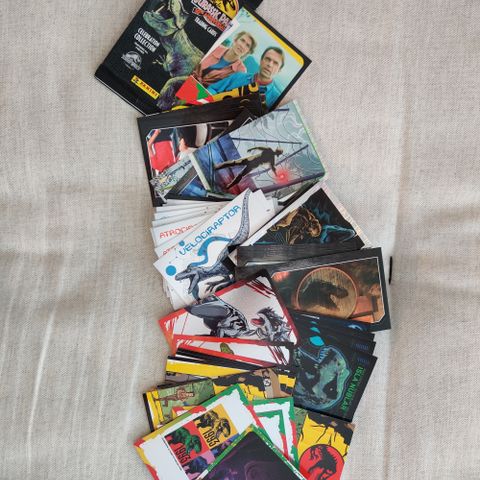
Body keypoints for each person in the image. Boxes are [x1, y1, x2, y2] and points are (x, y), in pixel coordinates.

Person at [207, 46, 285, 107]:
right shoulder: (238, 76)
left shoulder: (276, 98)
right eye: (267, 59)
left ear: (279, 70)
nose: (270, 64)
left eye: (275, 63)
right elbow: (213, 89)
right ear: (261, 61)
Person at [214, 146, 283, 189]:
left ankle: (218, 168)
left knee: (234, 164)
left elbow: (258, 147)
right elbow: (272, 167)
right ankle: (228, 186)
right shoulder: (272, 158)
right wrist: (276, 175)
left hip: (251, 160)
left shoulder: (270, 151)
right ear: (277, 153)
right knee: (240, 173)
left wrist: (251, 149)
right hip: (253, 164)